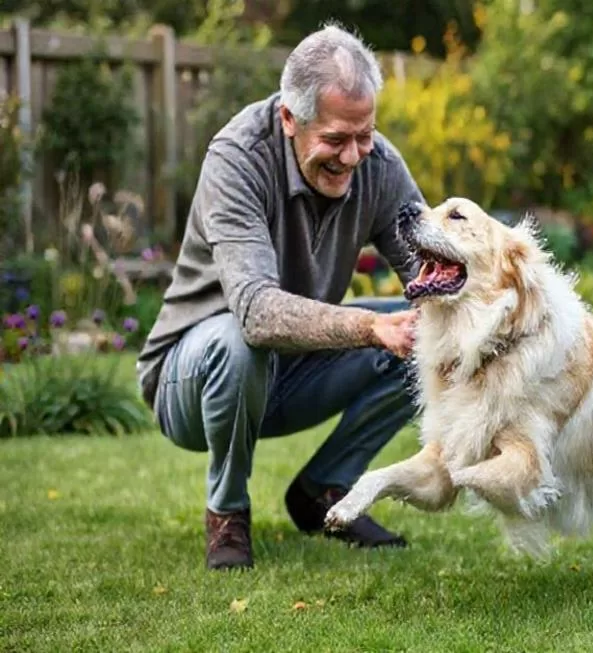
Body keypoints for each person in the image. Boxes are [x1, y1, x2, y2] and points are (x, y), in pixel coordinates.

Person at [136, 23, 425, 571]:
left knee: (427, 332)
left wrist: (497, 304)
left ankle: (324, 492)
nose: (354, 156)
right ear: (289, 118)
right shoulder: (238, 159)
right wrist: (367, 328)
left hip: (291, 375)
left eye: (364, 135)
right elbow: (257, 313)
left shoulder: (377, 164)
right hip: (192, 383)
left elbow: (426, 267)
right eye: (336, 140)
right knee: (236, 341)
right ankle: (227, 513)